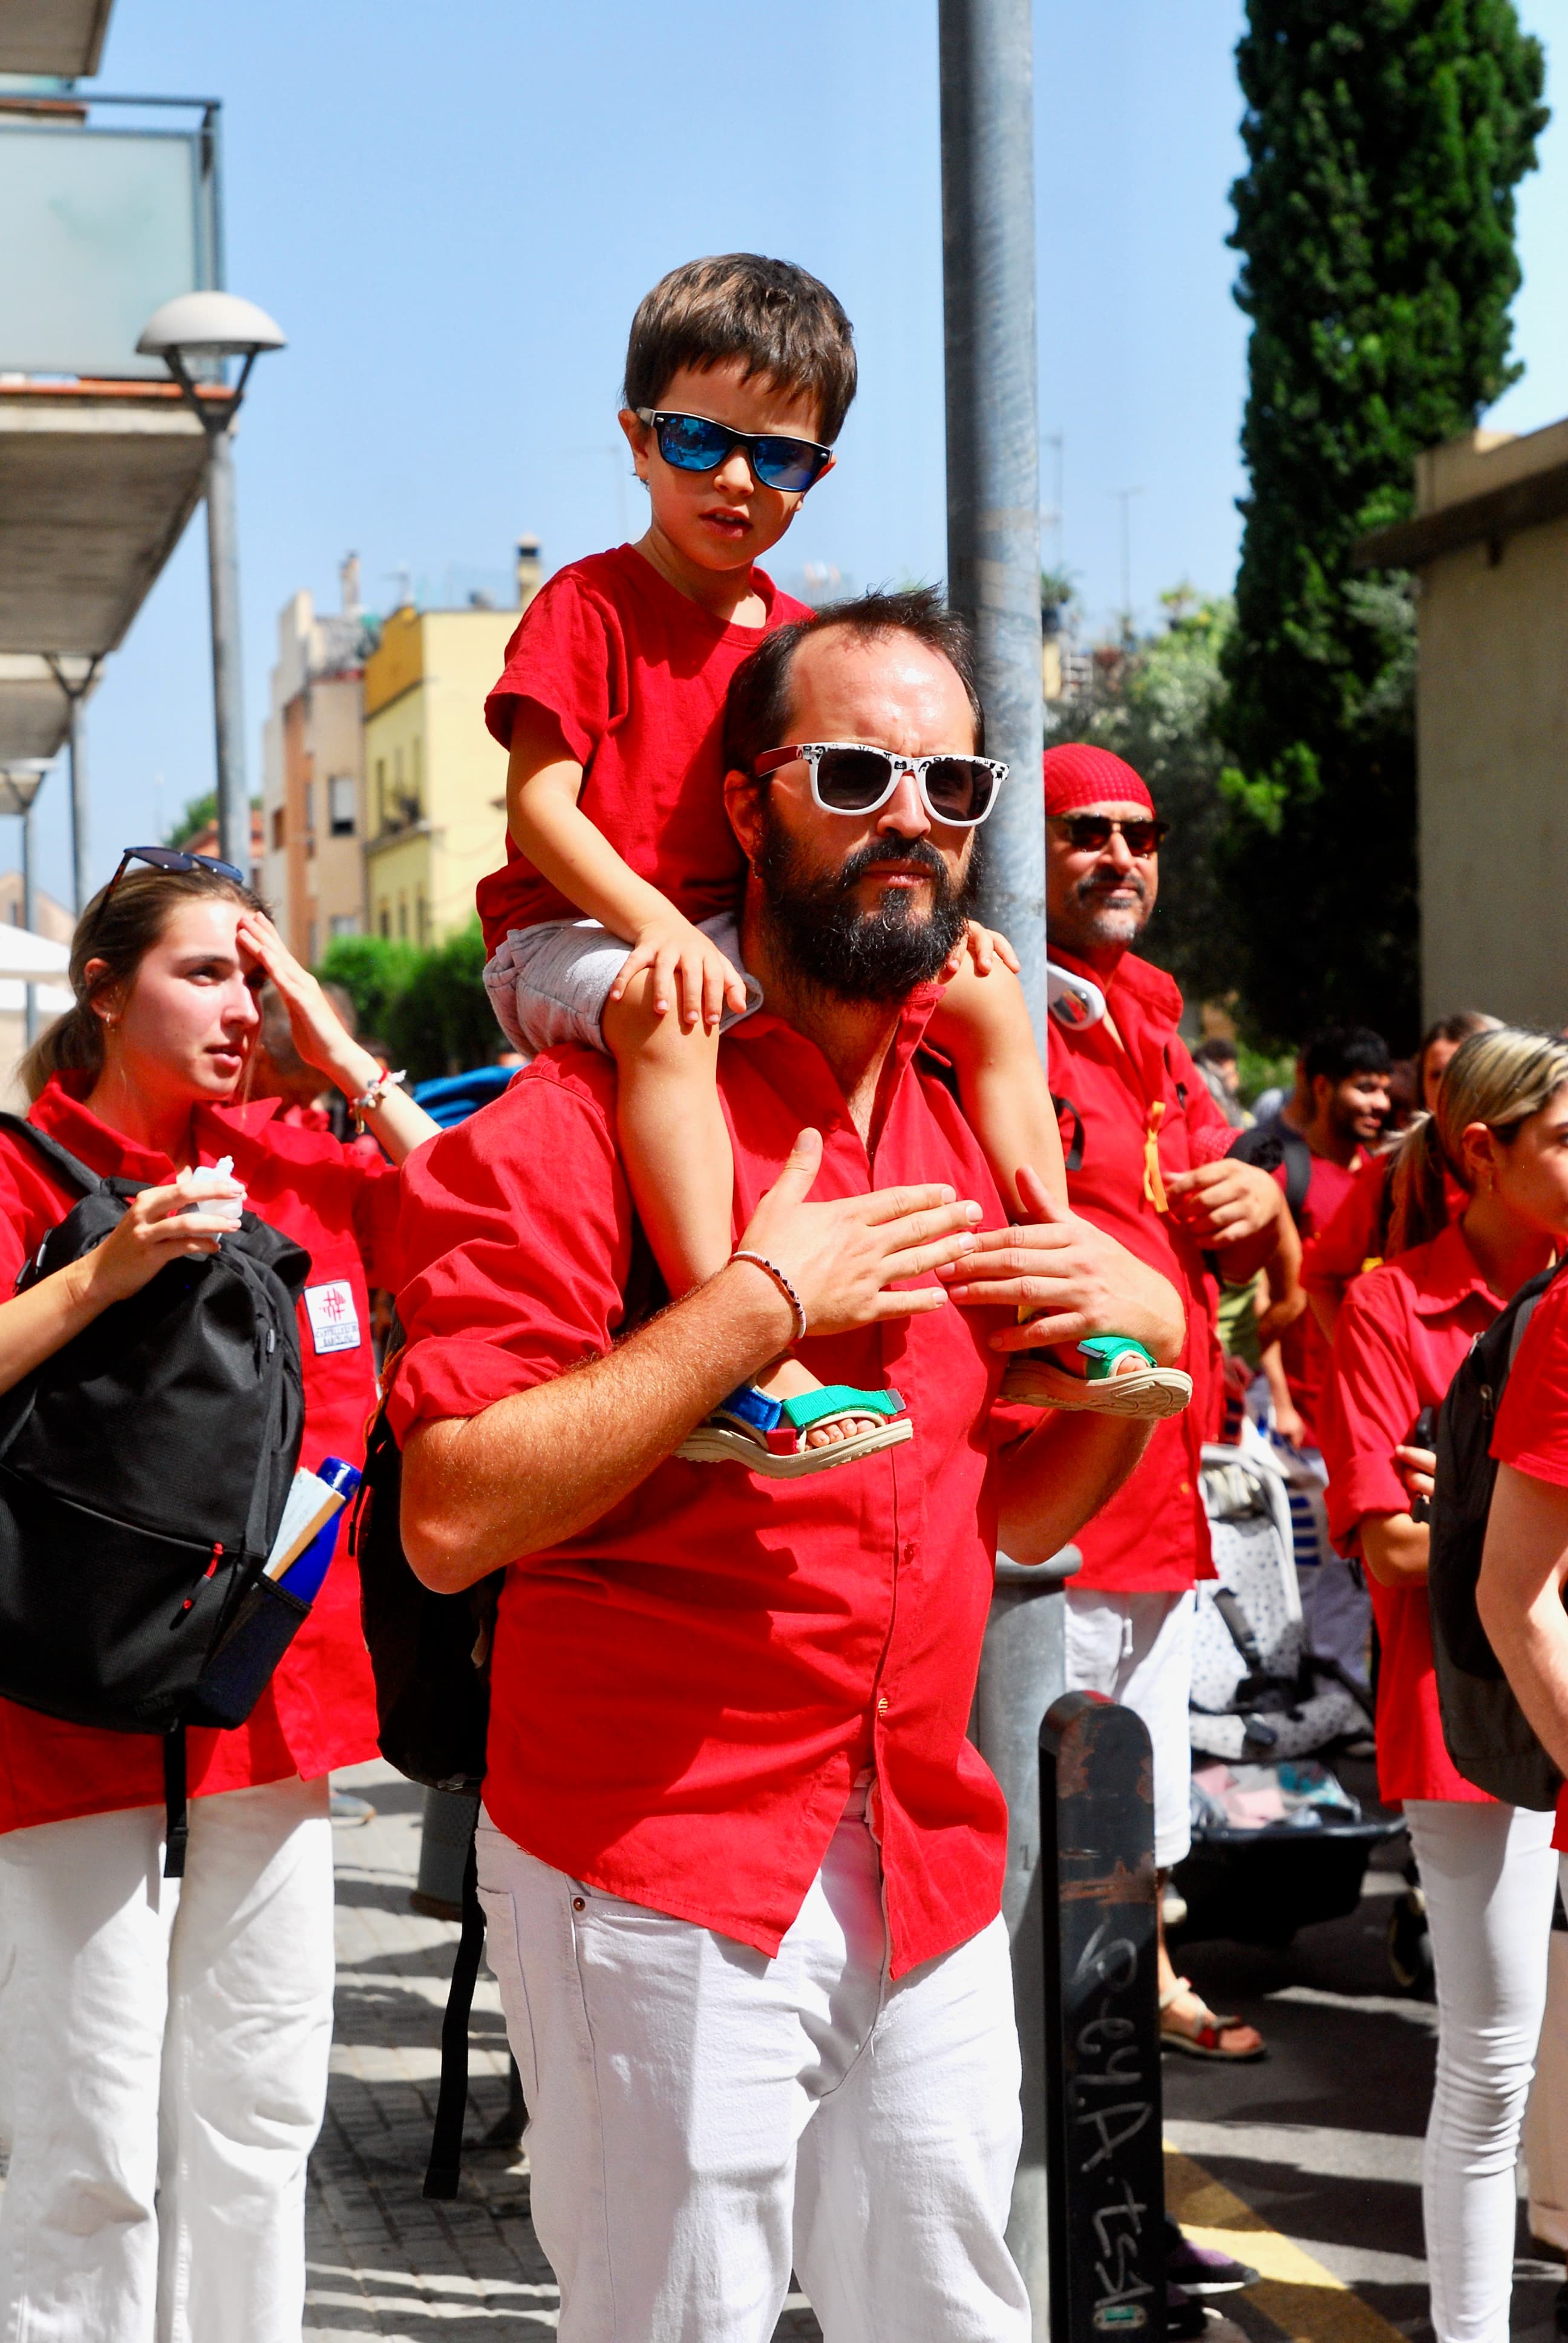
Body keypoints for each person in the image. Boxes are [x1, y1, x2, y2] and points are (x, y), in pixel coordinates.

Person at [393, 592, 1184, 2340]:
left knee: (957, 2315)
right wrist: (757, 1307)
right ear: (748, 807)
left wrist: (1135, 1377)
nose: (912, 818)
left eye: (954, 787)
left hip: (931, 1863)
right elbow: (448, 1517)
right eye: (854, 774)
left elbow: (1007, 1515)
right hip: (657, 1866)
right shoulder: (572, 1122)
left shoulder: (971, 1122)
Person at [474, 253, 1157, 1469]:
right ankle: (729, 1338)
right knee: (668, 1011)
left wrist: (942, 920)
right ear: (636, 439)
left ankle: (1044, 1291)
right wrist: (656, 929)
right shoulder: (591, 605)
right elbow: (539, 811)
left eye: (778, 457)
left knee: (990, 998)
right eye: (698, 440)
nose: (736, 479)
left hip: (733, 934)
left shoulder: (797, 642)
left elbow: (855, 819)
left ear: (817, 474)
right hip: (571, 934)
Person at [0, 851, 440, 2343]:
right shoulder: (21, 1171)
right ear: (102, 991)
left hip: (274, 1702)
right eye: (206, 973)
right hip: (66, 1703)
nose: (241, 1007)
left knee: (262, 2110)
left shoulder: (296, 1160)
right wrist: (101, 1274)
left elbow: (483, 1223)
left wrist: (340, 1047)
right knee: (87, 2134)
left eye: (256, 976)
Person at [1032, 741, 1292, 2074]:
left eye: (1140, 835)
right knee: (1055, 1838)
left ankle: (1122, 2068)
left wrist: (1263, 1204)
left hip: (1161, 1505)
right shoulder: (998, 1009)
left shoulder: (1153, 1019)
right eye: (1085, 831)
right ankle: (1058, 2149)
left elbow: (1250, 1268)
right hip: (1055, 1504)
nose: (1120, 856)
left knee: (1129, 1826)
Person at [1318, 1029, 1568, 2343]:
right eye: (1566, 1138)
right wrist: (1500, 1518)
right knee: (1490, 2060)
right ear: (1485, 1150)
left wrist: (1467, 1500)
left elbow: (1450, 1536)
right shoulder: (1387, 1308)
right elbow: (1390, 1547)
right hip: (1464, 1716)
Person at [1234, 1024, 1393, 1684]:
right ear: (1322, 1087)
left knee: (1352, 1557)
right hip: (1297, 1407)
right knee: (1302, 1558)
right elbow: (1260, 1294)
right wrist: (1280, 1398)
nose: (1379, 1103)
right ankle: (1295, 1682)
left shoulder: (1386, 1173)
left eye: (1384, 1089)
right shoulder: (1284, 1171)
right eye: (1364, 1088)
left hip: (1365, 1404)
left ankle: (1337, 1683)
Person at [1303, 1011, 1502, 1334]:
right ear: (1422, 1087)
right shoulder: (1394, 1172)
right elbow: (1320, 1277)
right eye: (1437, 1075)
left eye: (1465, 1071)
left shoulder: (1538, 1163)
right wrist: (1363, 1354)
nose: (1450, 1087)